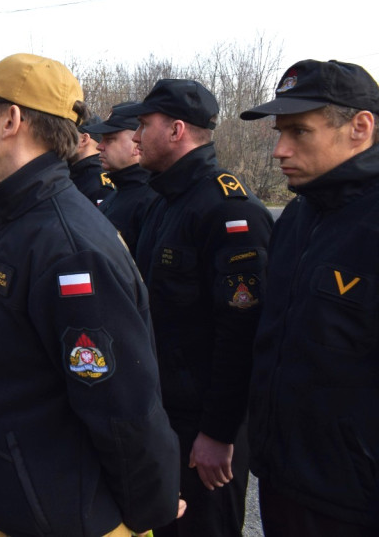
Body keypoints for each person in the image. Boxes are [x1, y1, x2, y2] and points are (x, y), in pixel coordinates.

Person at [0, 54, 180, 536]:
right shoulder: (9, 215)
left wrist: (148, 507)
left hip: (51, 514)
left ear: (11, 119)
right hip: (0, 494)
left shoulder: (69, 245)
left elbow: (122, 404)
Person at [239, 59, 379, 536]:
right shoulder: (296, 219)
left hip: (354, 502)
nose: (279, 150)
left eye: (300, 131)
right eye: (280, 132)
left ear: (360, 127)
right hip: (281, 480)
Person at [129, 78, 273, 537]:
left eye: (142, 125)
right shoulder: (163, 201)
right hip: (165, 415)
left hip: (203, 431)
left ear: (176, 130)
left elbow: (242, 332)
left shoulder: (228, 210)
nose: (134, 136)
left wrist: (219, 431)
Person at [85, 103, 158, 254]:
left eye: (110, 139)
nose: (100, 146)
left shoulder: (152, 199)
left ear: (137, 144)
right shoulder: (117, 194)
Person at [69, 111, 116, 204]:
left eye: (66, 134)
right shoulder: (74, 174)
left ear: (84, 140)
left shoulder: (98, 186)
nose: (59, 139)